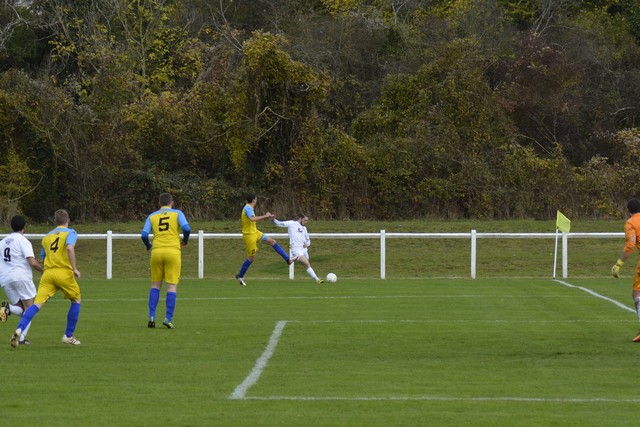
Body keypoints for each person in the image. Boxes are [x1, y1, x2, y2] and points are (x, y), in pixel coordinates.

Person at [10, 209, 82, 348]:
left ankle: (20, 329)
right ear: (68, 220)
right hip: (63, 273)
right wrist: (74, 268)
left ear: (55, 221)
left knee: (36, 304)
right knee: (76, 300)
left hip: (48, 274)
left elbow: (43, 258)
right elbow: (69, 248)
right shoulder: (71, 232)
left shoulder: (47, 236)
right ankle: (68, 335)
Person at [141, 192, 190, 329]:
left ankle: (151, 316)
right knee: (171, 287)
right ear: (171, 203)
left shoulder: (152, 216)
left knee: (155, 285)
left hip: (157, 252)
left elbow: (144, 235)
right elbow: (186, 228)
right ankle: (168, 318)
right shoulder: (177, 213)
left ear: (159, 203)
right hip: (173, 252)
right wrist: (185, 241)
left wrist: (148, 245)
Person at [235, 194, 299, 286]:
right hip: (249, 236)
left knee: (272, 241)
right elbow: (252, 219)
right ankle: (240, 276)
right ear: (254, 200)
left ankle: (288, 260)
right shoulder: (248, 208)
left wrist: (268, 217)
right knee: (251, 258)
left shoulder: (249, 208)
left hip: (255, 232)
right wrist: (265, 216)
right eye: (256, 199)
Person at [0, 215, 44, 345]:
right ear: (24, 227)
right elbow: (33, 262)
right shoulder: (23, 241)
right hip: (21, 277)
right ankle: (21, 337)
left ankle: (8, 308)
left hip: (5, 279)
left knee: (21, 309)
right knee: (30, 309)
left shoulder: (2, 242)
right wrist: (43, 271)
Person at [611, 198, 640, 342]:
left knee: (637, 294)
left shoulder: (631, 223)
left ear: (628, 211)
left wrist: (618, 264)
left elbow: (630, 244)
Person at [273, 212, 324, 283]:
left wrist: (307, 244)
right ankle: (317, 280)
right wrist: (273, 219)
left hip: (304, 250)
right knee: (306, 263)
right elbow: (280, 223)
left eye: (307, 220)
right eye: (305, 220)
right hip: (296, 249)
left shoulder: (304, 228)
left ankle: (293, 260)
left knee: (307, 265)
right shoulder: (292, 223)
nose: (306, 222)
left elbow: (308, 240)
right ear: (301, 218)